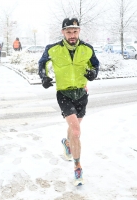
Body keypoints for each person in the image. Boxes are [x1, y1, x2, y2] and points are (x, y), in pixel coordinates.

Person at [38, 17, 99, 186]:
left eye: (75, 31)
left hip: (81, 93)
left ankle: (67, 143)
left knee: (74, 131)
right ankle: (78, 167)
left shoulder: (87, 49)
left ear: (79, 31)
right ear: (63, 32)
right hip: (64, 93)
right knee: (76, 130)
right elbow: (42, 63)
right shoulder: (53, 49)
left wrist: (93, 73)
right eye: (68, 31)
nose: (72, 35)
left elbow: (95, 66)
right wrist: (44, 77)